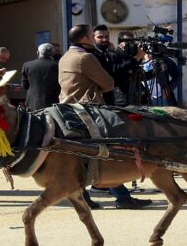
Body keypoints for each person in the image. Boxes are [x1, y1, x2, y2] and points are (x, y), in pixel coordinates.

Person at [59, 24, 152, 210]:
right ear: (85, 39)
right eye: (93, 36)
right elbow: (109, 83)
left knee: (86, 154)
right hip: (89, 111)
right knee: (110, 149)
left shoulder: (65, 56)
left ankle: (115, 197)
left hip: (68, 108)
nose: (96, 40)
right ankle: (120, 197)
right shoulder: (86, 57)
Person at [21, 43, 61, 110]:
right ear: (53, 53)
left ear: (38, 52)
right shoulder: (57, 65)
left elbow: (24, 86)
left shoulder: (27, 65)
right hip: (52, 102)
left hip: (32, 102)